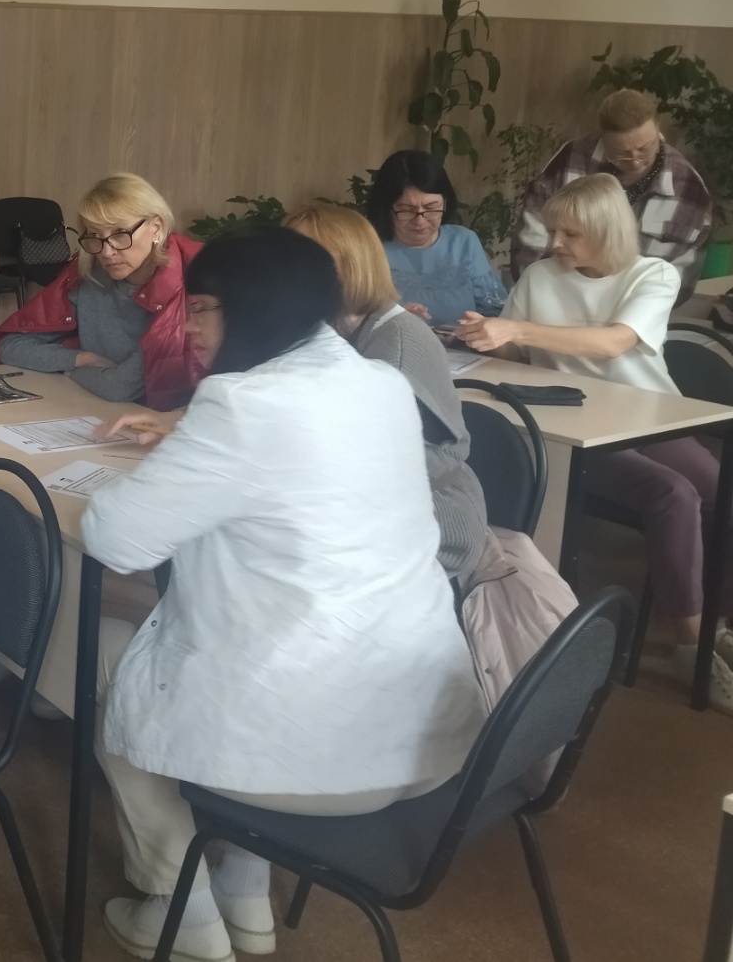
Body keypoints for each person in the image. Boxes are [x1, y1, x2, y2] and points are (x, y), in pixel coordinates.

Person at [83, 227, 486, 961]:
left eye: (201, 308)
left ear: (254, 310)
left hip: (322, 752)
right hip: (424, 725)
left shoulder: (244, 403)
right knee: (266, 642)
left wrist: (173, 473)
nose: (188, 326)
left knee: (97, 654)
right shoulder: (379, 384)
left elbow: (114, 538)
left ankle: (181, 911)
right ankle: (245, 890)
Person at [456, 174, 733, 709]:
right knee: (672, 493)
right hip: (577, 425)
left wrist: (516, 330)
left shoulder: (652, 275)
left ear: (606, 232)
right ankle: (689, 641)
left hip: (649, 415)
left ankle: (716, 622)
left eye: (570, 234)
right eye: (553, 231)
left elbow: (614, 343)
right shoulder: (540, 276)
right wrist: (485, 334)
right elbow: (515, 354)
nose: (555, 244)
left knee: (721, 491)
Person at [286, 204, 491, 587]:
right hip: (381, 504)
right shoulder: (332, 325)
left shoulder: (394, 343)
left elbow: (363, 466)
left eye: (308, 258)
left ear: (352, 263)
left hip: (435, 520)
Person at [0, 173, 205, 409]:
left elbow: (118, 387)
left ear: (156, 228)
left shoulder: (192, 284)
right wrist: (82, 359)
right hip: (98, 409)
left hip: (167, 419)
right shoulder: (89, 276)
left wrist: (70, 373)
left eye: (120, 233)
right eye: (94, 235)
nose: (106, 252)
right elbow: (10, 346)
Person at [511, 88, 712, 299]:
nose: (635, 161)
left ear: (658, 130)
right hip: (557, 297)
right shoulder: (572, 160)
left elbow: (682, 275)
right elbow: (531, 241)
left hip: (638, 305)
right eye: (621, 154)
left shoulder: (689, 187)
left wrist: (644, 307)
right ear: (602, 139)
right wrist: (543, 295)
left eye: (644, 149)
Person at [365, 148, 505, 328]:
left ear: (445, 202)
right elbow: (351, 323)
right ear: (386, 208)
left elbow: (496, 311)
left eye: (431, 208)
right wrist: (394, 320)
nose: (420, 221)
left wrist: (476, 328)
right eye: (406, 210)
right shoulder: (369, 250)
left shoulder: (464, 242)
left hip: (465, 344)